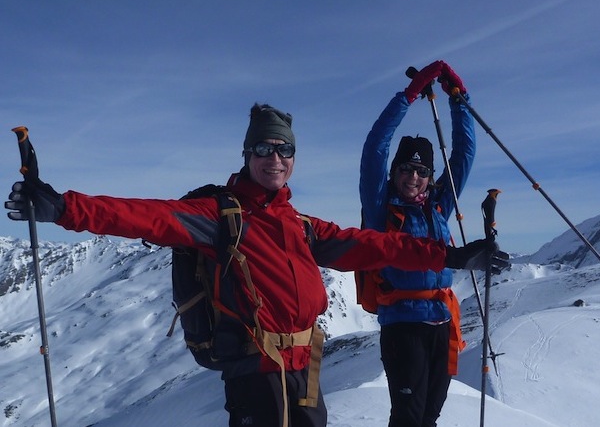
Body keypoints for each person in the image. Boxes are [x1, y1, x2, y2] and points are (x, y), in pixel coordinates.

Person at [6, 102, 508, 427]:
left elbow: (374, 245)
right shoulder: (220, 215)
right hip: (255, 370)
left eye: (285, 150)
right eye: (265, 149)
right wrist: (64, 208)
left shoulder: (300, 223)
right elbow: (146, 216)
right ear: (248, 154)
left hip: (303, 371)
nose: (276, 157)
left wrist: (452, 256)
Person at [360, 60, 497, 427]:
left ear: (430, 177)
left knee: (430, 417)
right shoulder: (380, 208)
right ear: (394, 173)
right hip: (403, 326)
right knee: (408, 418)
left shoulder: (438, 206)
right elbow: (375, 146)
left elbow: (464, 156)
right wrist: (405, 97)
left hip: (441, 322)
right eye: (406, 169)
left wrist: (459, 100)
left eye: (422, 172)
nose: (414, 177)